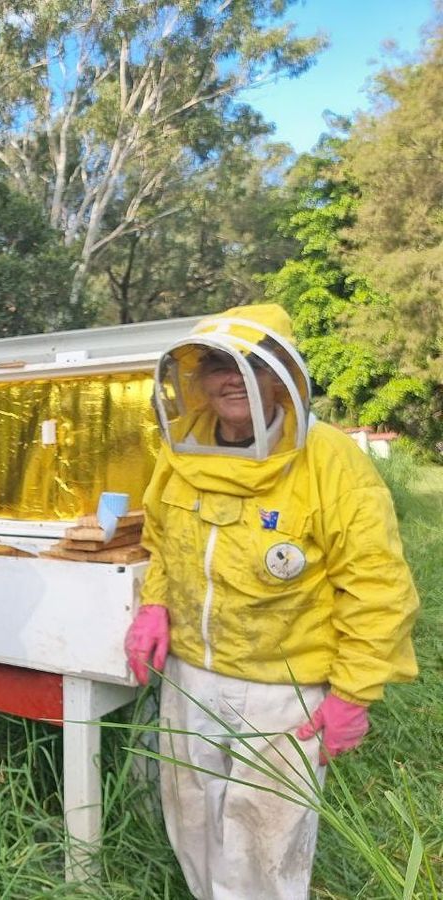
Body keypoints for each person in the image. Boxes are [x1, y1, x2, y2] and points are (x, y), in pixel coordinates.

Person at [125, 303, 419, 900]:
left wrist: (353, 693)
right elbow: (161, 540)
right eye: (215, 365)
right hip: (191, 675)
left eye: (252, 364)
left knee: (265, 837)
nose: (232, 379)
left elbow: (376, 584)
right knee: (193, 817)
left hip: (285, 688)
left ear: (283, 373)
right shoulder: (181, 452)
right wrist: (154, 606)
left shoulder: (331, 459)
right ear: (196, 380)